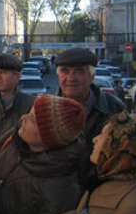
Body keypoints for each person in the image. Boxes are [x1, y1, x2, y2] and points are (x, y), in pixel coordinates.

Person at [53, 48, 125, 185]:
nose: (71, 78)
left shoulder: (113, 107)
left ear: (91, 77)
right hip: (60, 191)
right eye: (65, 71)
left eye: (79, 71)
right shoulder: (45, 109)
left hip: (104, 189)